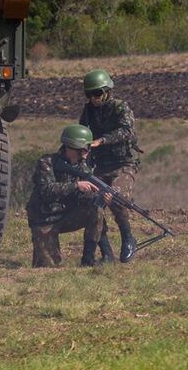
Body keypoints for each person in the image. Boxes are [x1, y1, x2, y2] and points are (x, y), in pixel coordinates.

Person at [78, 69, 142, 263]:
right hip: (100, 166)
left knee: (117, 198)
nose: (94, 99)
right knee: (93, 204)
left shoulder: (120, 107)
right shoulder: (88, 110)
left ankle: (128, 238)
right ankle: (105, 253)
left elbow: (127, 131)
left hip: (124, 164)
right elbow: (82, 133)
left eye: (97, 94)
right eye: (89, 95)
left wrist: (102, 140)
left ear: (107, 92)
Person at [26, 125, 109, 267]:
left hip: (66, 215)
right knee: (48, 268)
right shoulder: (47, 163)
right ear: (71, 148)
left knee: (96, 210)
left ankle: (88, 260)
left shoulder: (82, 167)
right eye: (84, 149)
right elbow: (46, 191)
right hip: (44, 219)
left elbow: (83, 199)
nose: (87, 153)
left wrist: (101, 198)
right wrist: (76, 186)